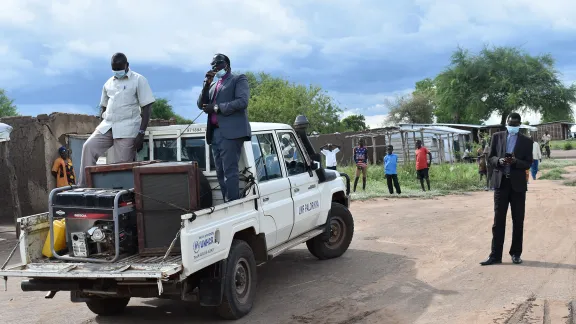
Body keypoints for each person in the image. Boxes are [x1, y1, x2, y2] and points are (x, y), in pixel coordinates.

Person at [77, 53, 155, 187]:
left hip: (128, 128)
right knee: (88, 147)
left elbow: (147, 107)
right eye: (114, 68)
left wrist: (141, 133)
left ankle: (121, 195)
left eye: (119, 68)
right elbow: (103, 106)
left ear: (127, 65)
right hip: (108, 125)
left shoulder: (138, 80)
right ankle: (84, 185)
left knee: (122, 166)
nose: (117, 71)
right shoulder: (108, 83)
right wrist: (100, 122)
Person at [480, 112, 533, 266]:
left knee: (518, 220)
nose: (513, 127)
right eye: (511, 124)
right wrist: (500, 160)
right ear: (507, 123)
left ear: (520, 125)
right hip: (501, 184)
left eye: (516, 125)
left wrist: (516, 161)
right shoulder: (497, 137)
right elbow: (490, 157)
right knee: (498, 221)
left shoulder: (527, 141)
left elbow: (528, 163)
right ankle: (495, 255)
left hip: (518, 186)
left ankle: (516, 254)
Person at [197, 53, 251, 202]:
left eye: (217, 63)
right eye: (212, 65)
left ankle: (233, 204)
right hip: (215, 133)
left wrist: (216, 108)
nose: (215, 67)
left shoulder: (238, 79)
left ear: (226, 64)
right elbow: (200, 104)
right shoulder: (213, 85)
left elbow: (242, 102)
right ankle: (228, 200)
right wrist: (207, 84)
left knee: (229, 171)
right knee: (220, 172)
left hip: (231, 132)